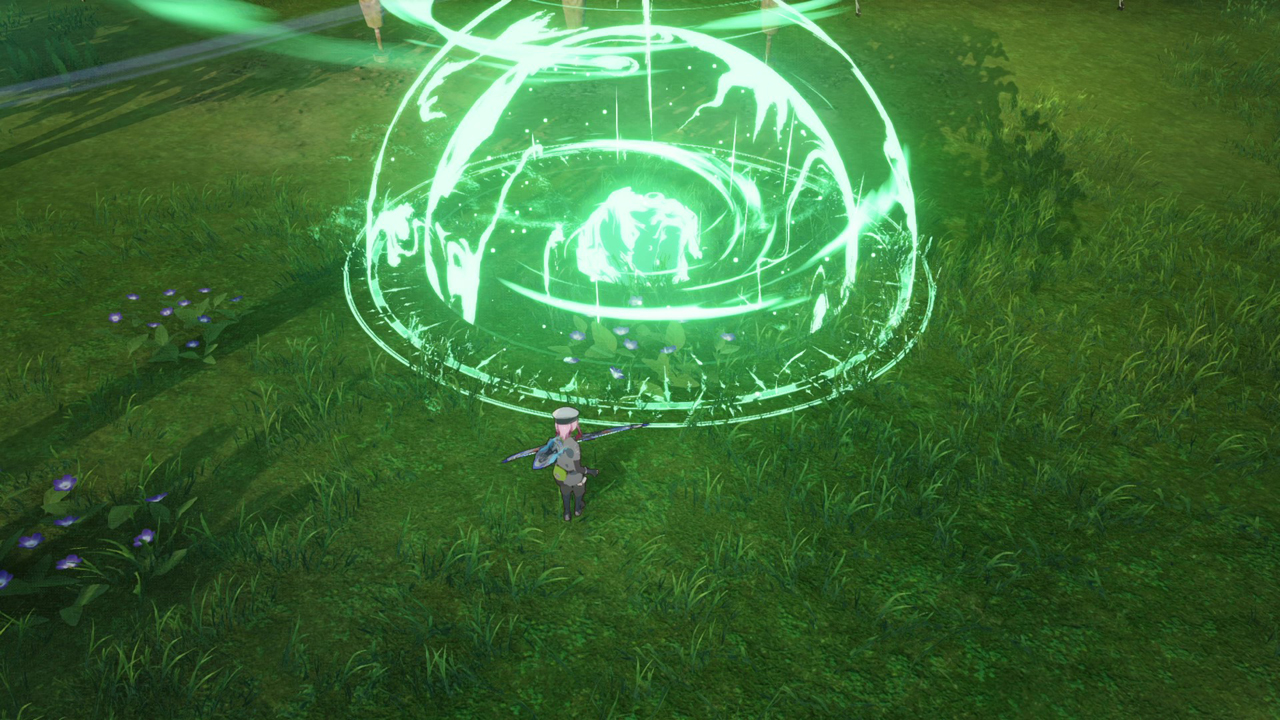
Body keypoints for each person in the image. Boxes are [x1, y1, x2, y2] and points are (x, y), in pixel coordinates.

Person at [549, 406, 598, 521]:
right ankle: (577, 509)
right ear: (573, 425)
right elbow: (577, 468)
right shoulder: (574, 445)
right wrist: (589, 471)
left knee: (565, 492)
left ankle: (567, 513)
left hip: (559, 474)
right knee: (579, 489)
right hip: (573, 475)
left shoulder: (554, 441)